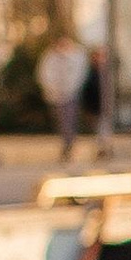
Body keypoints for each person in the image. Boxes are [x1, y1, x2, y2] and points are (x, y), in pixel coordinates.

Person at [36, 31, 89, 163]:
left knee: (69, 120)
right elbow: (44, 75)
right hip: (54, 95)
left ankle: (69, 145)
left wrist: (69, 89)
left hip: (70, 95)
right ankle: (66, 143)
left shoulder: (76, 56)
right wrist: (52, 88)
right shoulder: (50, 57)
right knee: (60, 120)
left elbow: (78, 76)